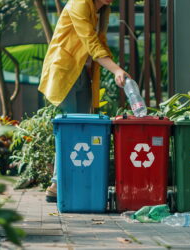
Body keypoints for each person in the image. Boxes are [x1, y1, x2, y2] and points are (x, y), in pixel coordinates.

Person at [38, 0, 129, 202]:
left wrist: (117, 69)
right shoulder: (79, 3)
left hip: (82, 73)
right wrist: (115, 69)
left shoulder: (101, 11)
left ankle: (69, 181)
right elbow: (91, 41)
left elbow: (100, 42)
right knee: (70, 127)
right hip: (65, 72)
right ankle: (57, 184)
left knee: (83, 127)